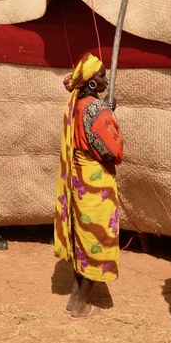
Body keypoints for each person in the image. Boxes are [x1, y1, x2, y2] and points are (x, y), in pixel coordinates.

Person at [54, 52, 123, 320]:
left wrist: (107, 112)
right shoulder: (95, 109)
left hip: (79, 181)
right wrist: (108, 118)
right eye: (102, 75)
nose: (106, 79)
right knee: (99, 240)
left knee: (83, 241)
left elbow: (87, 131)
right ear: (91, 82)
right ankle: (80, 304)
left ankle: (74, 300)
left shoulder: (77, 105)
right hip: (96, 185)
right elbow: (111, 150)